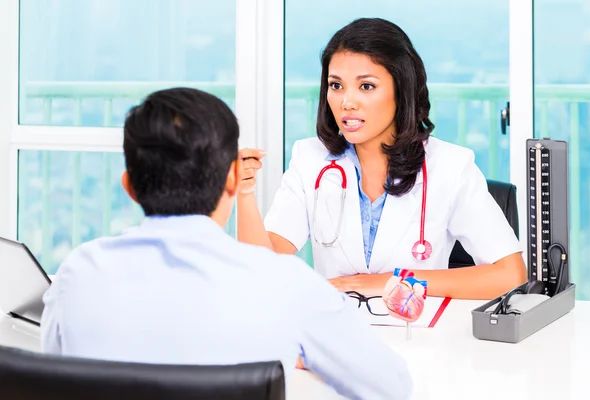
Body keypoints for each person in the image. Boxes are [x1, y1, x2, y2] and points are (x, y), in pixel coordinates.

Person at [40, 87, 413, 400]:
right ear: (234, 179)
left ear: (130, 187)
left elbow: (58, 380)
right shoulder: (283, 284)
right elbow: (392, 388)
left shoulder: (78, 274)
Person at [237, 17, 527, 300]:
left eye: (366, 86)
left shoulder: (451, 166)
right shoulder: (309, 159)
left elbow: (509, 275)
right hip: (334, 332)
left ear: (401, 90)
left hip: (418, 337)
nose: (346, 102)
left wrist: (387, 282)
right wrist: (245, 193)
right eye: (336, 85)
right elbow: (263, 269)